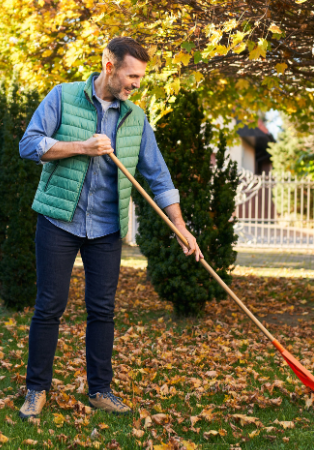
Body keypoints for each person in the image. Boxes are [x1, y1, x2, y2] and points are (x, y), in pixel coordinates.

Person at [17, 36, 202, 419]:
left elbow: (159, 176)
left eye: (141, 77)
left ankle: (100, 390)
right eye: (132, 75)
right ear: (109, 67)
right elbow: (29, 144)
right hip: (59, 220)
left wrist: (180, 226)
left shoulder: (135, 119)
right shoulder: (63, 97)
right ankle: (36, 390)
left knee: (102, 310)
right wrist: (82, 146)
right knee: (49, 306)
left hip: (105, 227)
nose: (137, 84)